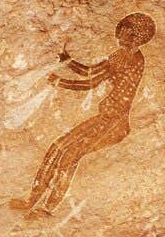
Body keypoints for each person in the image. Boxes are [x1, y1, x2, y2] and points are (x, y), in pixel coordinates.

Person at [11, 12, 155, 217]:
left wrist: (60, 81)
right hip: (106, 119)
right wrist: (67, 61)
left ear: (135, 36)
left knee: (70, 154)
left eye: (125, 29)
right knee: (58, 146)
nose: (119, 32)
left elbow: (90, 82)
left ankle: (46, 208)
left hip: (114, 123)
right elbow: (90, 72)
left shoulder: (128, 58)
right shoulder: (123, 55)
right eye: (122, 27)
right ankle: (31, 200)